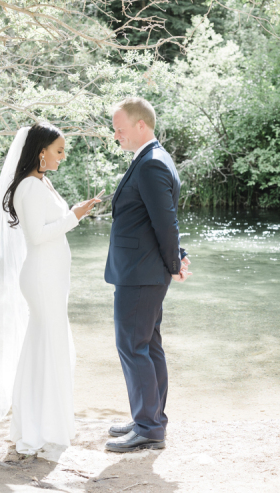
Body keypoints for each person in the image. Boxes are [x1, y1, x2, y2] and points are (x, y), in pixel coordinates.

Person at [0, 122, 100, 455]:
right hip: (42, 278)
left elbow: (53, 226)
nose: (63, 157)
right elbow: (38, 235)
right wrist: (74, 216)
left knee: (46, 349)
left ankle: (41, 422)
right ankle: (36, 428)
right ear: (41, 152)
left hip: (52, 277)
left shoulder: (43, 183)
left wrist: (75, 212)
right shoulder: (29, 187)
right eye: (59, 151)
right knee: (48, 349)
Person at [104, 97, 191, 453]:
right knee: (148, 345)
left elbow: (165, 222)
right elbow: (160, 219)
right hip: (142, 270)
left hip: (141, 273)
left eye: (120, 129)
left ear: (142, 125)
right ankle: (149, 418)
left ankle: (149, 426)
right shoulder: (151, 159)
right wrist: (176, 258)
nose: (116, 135)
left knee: (133, 346)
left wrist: (175, 263)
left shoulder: (152, 163)